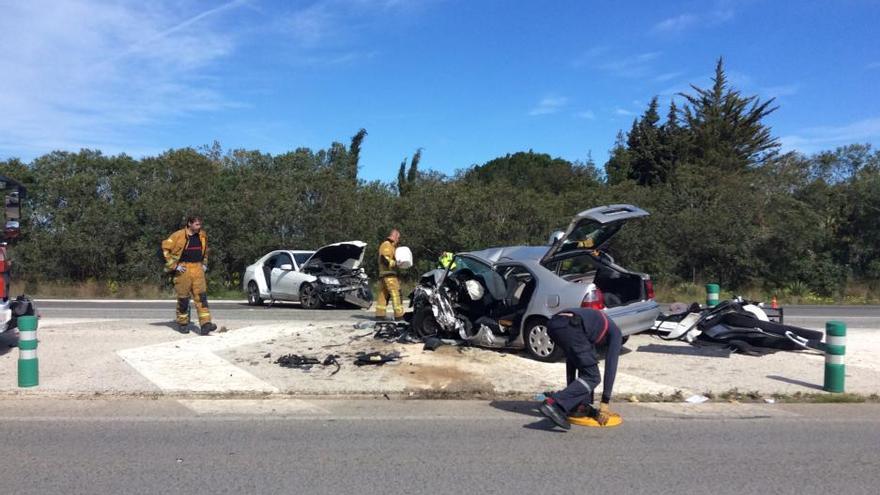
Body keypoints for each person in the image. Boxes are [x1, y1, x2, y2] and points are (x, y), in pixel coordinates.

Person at [538, 308, 622, 430]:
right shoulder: (616, 333)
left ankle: (578, 405)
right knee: (593, 377)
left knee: (586, 368)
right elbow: (611, 365)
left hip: (554, 323)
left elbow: (572, 361)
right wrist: (605, 402)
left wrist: (573, 402)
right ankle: (553, 403)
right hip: (571, 326)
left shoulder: (592, 325)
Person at [161, 215, 217, 335]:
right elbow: (165, 248)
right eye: (197, 224)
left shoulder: (202, 235)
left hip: (198, 269)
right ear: (189, 224)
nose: (199, 227)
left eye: (200, 224)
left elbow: (205, 250)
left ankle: (205, 324)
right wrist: (174, 266)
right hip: (184, 269)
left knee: (201, 297)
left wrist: (205, 264)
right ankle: (183, 323)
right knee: (183, 299)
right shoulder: (178, 235)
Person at [376, 229, 404, 321]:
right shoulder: (387, 245)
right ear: (395, 237)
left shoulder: (389, 246)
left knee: (383, 295)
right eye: (398, 238)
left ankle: (380, 315)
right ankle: (399, 316)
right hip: (389, 275)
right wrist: (395, 263)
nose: (398, 240)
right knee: (396, 294)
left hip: (384, 275)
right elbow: (384, 259)